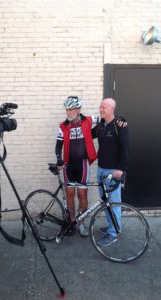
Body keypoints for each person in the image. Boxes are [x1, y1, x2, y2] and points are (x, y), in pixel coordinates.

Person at [55, 96, 99, 237]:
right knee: (69, 194)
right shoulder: (63, 126)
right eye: (67, 109)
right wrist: (59, 159)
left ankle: (81, 224)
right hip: (69, 165)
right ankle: (72, 222)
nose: (68, 112)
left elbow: (105, 118)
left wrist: (119, 118)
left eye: (71, 109)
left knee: (82, 194)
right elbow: (58, 146)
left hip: (83, 164)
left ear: (78, 109)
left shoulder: (89, 120)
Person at [91, 98, 129, 246]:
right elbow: (88, 132)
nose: (101, 109)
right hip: (101, 169)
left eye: (104, 107)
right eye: (100, 106)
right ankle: (112, 226)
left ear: (112, 109)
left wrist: (122, 169)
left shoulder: (120, 126)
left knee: (113, 203)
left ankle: (113, 233)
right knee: (105, 202)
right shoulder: (101, 126)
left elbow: (125, 149)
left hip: (113, 171)